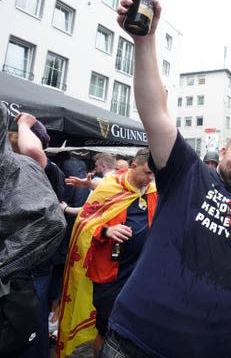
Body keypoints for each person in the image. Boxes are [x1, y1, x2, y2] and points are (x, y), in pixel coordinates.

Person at [98, 0, 231, 358]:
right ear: (222, 153)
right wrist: (145, 40)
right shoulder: (186, 173)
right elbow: (154, 110)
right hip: (137, 341)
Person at [57, 149, 157, 358]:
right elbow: (85, 224)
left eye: (154, 174)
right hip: (110, 276)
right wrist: (106, 230)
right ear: (133, 167)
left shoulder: (151, 189)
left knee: (132, 329)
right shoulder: (110, 188)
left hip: (140, 276)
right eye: (147, 173)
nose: (150, 179)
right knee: (106, 328)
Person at [0, 102, 66, 357]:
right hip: (23, 269)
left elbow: (50, 224)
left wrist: (24, 124)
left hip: (24, 271)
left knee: (27, 326)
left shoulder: (27, 166)